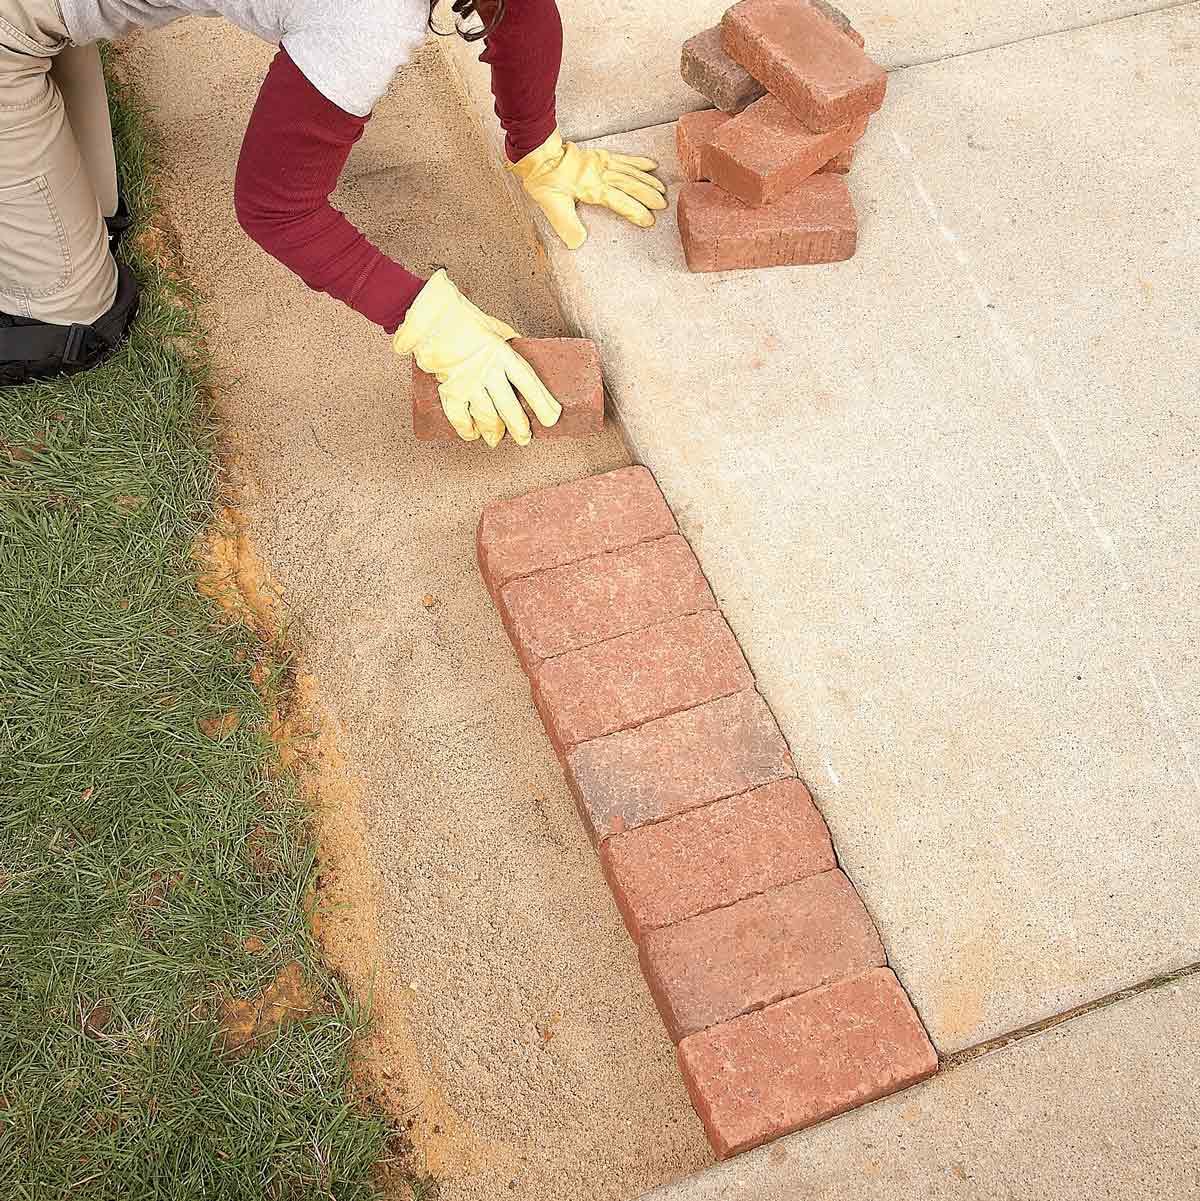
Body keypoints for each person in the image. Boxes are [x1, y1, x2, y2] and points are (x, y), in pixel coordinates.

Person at [0, 0, 667, 445]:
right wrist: (431, 322)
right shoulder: (365, 16)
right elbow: (275, 208)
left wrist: (538, 145)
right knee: (66, 319)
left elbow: (518, 11)